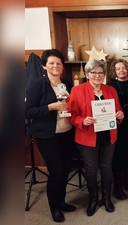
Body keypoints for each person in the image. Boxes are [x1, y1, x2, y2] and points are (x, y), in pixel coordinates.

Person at [67, 59, 124, 216]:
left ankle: (106, 198)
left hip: (108, 136)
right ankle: (93, 199)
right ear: (87, 74)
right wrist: (82, 121)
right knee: (91, 170)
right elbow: (71, 115)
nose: (98, 75)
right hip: (87, 137)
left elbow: (118, 111)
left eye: (100, 72)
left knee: (106, 168)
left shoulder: (110, 90)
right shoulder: (77, 90)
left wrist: (120, 115)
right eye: (94, 72)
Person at [25, 49, 76, 223]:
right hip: (47, 135)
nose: (56, 66)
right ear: (44, 66)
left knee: (66, 169)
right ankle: (54, 207)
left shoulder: (68, 85)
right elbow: (27, 111)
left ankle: (62, 202)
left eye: (59, 63)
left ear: (63, 66)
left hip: (67, 132)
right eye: (52, 63)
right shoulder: (37, 84)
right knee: (56, 171)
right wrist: (50, 107)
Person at [108, 59, 128, 200]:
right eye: (118, 68)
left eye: (124, 68)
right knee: (117, 156)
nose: (122, 70)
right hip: (116, 126)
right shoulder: (109, 87)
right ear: (114, 71)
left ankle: (127, 181)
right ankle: (117, 186)